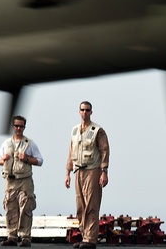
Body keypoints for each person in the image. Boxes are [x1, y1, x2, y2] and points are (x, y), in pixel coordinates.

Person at [65, 101, 110, 249]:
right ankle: (85, 235)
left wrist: (104, 172)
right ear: (79, 112)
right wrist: (67, 173)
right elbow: (71, 152)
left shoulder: (97, 130)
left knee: (91, 204)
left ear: (91, 112)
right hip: (78, 169)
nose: (85, 113)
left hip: (92, 169)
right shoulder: (74, 130)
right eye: (82, 110)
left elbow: (104, 150)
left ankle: (90, 239)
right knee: (80, 205)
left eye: (87, 110)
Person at [0, 115, 43, 247]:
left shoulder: (29, 144)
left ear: (24, 127)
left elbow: (40, 161)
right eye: (16, 126)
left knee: (25, 207)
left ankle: (25, 237)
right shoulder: (6, 144)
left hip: (24, 180)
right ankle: (11, 236)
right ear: (13, 127)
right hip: (10, 180)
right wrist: (3, 159)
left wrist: (27, 158)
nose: (19, 128)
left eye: (21, 126)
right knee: (10, 207)